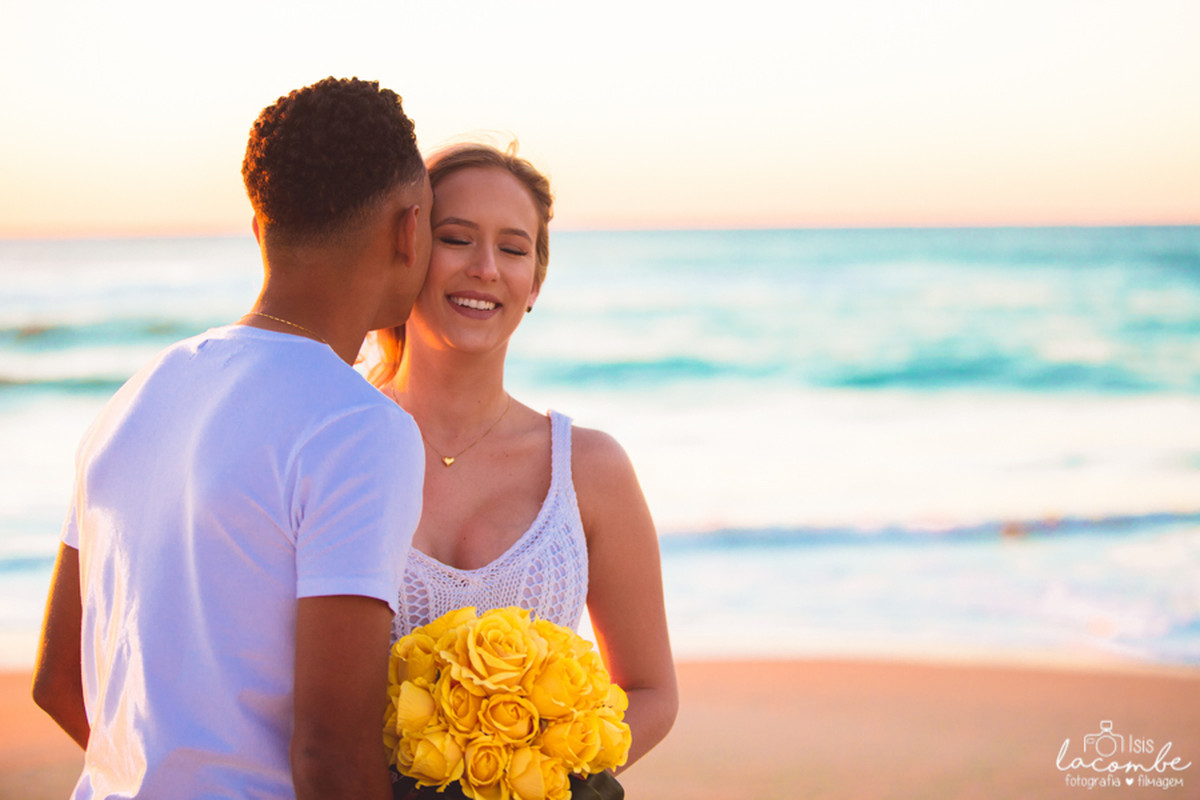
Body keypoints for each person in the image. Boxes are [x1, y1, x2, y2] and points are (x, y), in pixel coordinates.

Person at [32, 77, 432, 800]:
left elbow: (59, 683)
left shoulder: (135, 394)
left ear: (260, 228)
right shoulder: (359, 429)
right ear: (410, 230)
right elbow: (329, 757)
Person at [366, 143, 678, 771]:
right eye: (456, 239)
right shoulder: (338, 447)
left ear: (534, 283)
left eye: (512, 249)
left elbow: (650, 692)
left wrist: (529, 777)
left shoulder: (588, 469)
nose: (486, 268)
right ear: (410, 252)